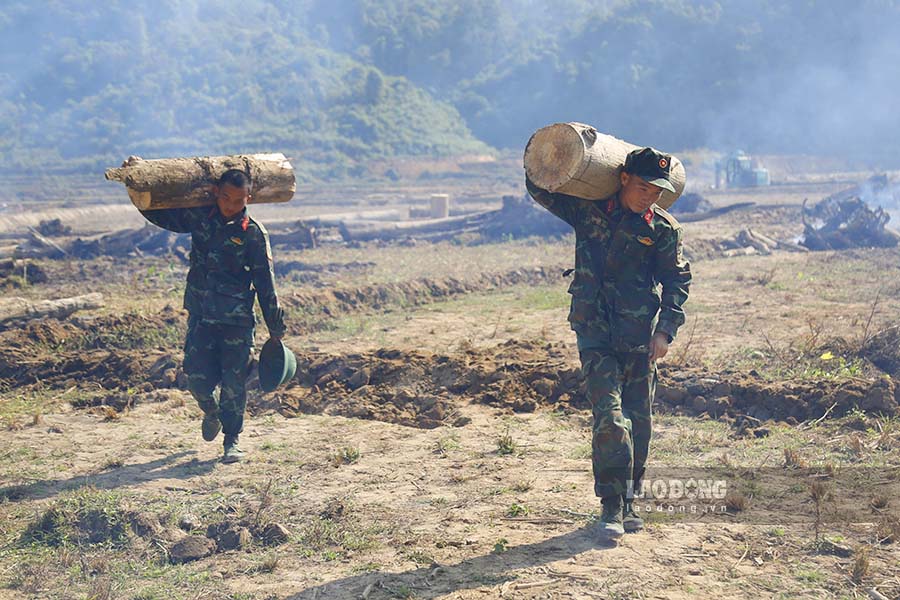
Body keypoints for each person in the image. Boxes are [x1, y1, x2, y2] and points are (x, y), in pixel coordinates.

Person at [525, 147, 691, 540]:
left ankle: (631, 500)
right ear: (623, 179)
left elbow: (677, 281)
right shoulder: (588, 211)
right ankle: (611, 506)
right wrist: (555, 152)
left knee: (640, 422)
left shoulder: (662, 230)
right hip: (594, 331)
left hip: (639, 339)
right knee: (611, 419)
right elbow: (541, 187)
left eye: (657, 191)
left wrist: (665, 330)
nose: (650, 196)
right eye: (643, 187)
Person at [139, 169, 286, 463]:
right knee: (196, 379)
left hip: (237, 321)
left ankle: (232, 439)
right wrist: (138, 187)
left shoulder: (253, 233)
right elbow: (162, 216)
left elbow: (264, 281)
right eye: (225, 198)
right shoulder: (201, 219)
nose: (230, 205)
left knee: (234, 383)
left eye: (237, 200)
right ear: (216, 193)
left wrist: (275, 327)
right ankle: (211, 411)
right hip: (202, 317)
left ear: (249, 197)